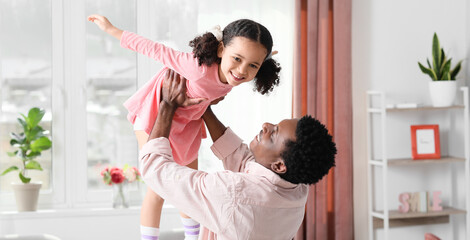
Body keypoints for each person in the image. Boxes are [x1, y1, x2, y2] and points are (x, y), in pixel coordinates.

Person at [87, 14, 281, 240]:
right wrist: (112, 30)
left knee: (189, 186)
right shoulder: (196, 66)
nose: (241, 71)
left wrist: (262, 59)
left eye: (253, 65)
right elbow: (156, 50)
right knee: (157, 187)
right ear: (220, 50)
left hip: (187, 124)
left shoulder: (235, 74)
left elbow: (241, 67)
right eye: (237, 59)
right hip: (156, 118)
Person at [139, 69, 337, 240]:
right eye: (274, 125)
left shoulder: (232, 193)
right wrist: (204, 106)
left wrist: (167, 105)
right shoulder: (297, 189)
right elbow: (243, 159)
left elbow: (154, 169)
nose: (266, 126)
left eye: (274, 133)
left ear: (279, 166)